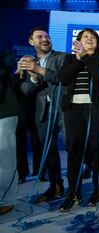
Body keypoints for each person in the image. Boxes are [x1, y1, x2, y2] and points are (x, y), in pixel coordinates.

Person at [58, 28, 99, 211]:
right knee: (74, 150)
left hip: (94, 107)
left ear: (98, 42)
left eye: (93, 37)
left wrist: (86, 57)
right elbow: (63, 78)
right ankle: (73, 193)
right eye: (85, 37)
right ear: (78, 41)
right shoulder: (69, 59)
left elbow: (98, 75)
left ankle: (98, 189)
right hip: (73, 108)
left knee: (96, 148)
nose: (90, 39)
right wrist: (79, 59)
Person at [17, 27, 66, 203]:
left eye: (47, 36)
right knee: (49, 151)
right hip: (44, 111)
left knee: (72, 146)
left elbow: (63, 78)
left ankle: (77, 186)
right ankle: (56, 185)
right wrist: (33, 78)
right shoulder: (29, 62)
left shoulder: (62, 57)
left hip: (65, 110)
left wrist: (39, 70)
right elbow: (25, 90)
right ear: (31, 42)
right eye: (39, 37)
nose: (45, 39)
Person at [0, 50, 20, 215]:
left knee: (5, 159)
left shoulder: (4, 55)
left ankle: (7, 199)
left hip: (4, 112)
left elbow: (9, 65)